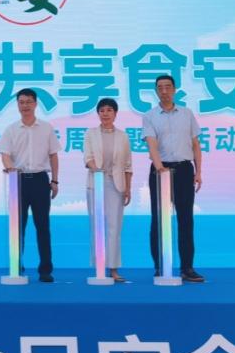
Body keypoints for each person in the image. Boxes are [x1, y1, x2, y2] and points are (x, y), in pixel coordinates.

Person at [141, 75, 205, 283]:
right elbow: (151, 144)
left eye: (168, 87)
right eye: (160, 88)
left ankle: (187, 267)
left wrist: (198, 171)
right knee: (159, 220)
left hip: (184, 170)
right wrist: (159, 166)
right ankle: (160, 267)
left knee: (186, 220)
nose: (164, 91)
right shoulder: (150, 116)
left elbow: (195, 144)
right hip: (160, 171)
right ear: (156, 91)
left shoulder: (187, 114)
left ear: (175, 89)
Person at [0, 88, 60, 283]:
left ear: (35, 104)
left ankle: (45, 270)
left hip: (41, 180)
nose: (25, 105)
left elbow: (53, 155)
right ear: (17, 105)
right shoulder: (11, 129)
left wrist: (55, 180)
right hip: (18, 181)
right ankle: (16, 266)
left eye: (29, 102)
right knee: (17, 227)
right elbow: (5, 155)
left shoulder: (46, 128)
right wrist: (10, 168)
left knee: (43, 226)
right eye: (21, 102)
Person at [83, 98, 133, 283]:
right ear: (98, 113)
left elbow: (127, 165)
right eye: (102, 110)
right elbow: (88, 158)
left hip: (116, 184)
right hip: (96, 182)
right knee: (97, 226)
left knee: (115, 227)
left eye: (109, 110)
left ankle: (113, 269)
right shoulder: (90, 134)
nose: (105, 113)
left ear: (115, 113)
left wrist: (128, 188)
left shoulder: (123, 136)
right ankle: (99, 267)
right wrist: (96, 169)